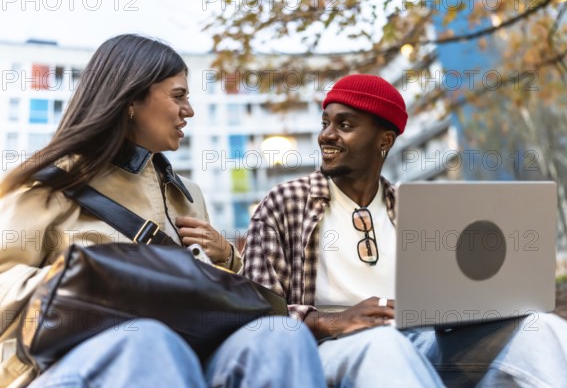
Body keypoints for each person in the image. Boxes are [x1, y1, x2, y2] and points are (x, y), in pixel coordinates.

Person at [0, 34, 325, 388]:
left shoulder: (189, 196)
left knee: (280, 336)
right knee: (150, 341)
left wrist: (228, 258)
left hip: (189, 357)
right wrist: (88, 279)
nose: (189, 110)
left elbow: (214, 306)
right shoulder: (47, 183)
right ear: (130, 100)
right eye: (179, 96)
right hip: (61, 365)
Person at [242, 73, 567, 387]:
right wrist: (332, 321)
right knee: (383, 344)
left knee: (540, 327)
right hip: (332, 352)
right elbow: (252, 314)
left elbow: (449, 301)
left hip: (423, 343)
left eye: (345, 125)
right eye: (326, 123)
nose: (326, 136)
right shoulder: (287, 203)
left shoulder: (415, 209)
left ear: (384, 140)